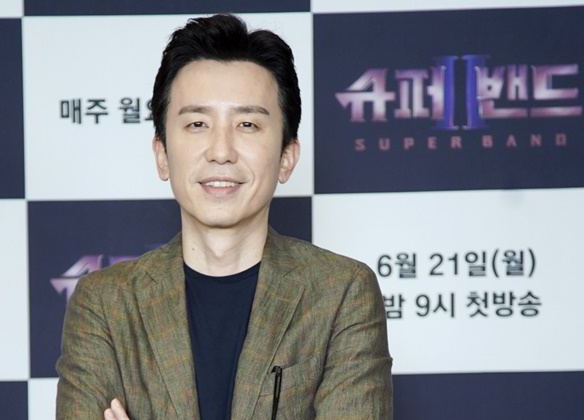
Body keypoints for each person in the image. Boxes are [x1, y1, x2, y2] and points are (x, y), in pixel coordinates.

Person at [56, 13, 392, 419]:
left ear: (287, 157)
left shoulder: (341, 294)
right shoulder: (104, 303)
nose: (221, 151)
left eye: (247, 124)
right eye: (197, 123)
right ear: (162, 154)